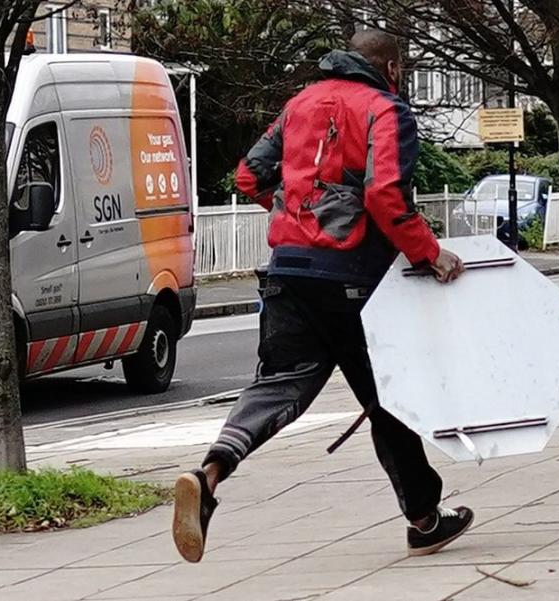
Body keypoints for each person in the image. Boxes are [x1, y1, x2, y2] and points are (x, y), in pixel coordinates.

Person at [171, 29, 471, 564]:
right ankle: (424, 518)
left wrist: (299, 215)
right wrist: (428, 253)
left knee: (280, 384)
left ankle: (209, 473)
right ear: (394, 68)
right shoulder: (387, 110)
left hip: (288, 272)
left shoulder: (298, 105)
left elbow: (248, 176)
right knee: (388, 399)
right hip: (352, 279)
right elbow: (385, 195)